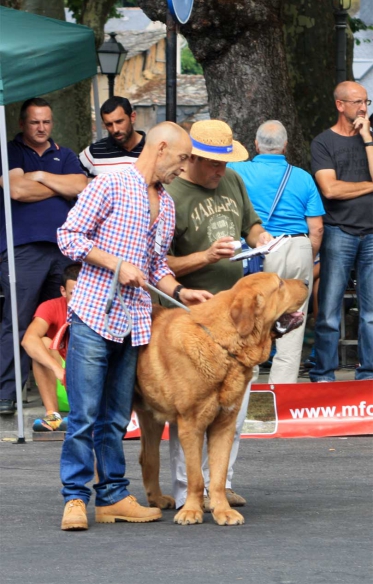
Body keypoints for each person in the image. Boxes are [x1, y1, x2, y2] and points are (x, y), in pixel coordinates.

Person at [56, 121, 212, 531]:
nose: (183, 169)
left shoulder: (168, 203)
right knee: (85, 415)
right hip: (93, 314)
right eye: (181, 159)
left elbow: (156, 265)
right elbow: (69, 236)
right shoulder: (110, 184)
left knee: (114, 417)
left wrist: (182, 291)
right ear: (160, 148)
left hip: (134, 321)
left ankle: (112, 498)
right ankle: (75, 498)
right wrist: (116, 264)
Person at [165, 119, 273, 511]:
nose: (220, 170)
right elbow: (160, 265)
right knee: (191, 412)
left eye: (225, 163)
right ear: (193, 157)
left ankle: (220, 487)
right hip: (190, 319)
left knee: (232, 409)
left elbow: (252, 224)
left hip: (236, 317)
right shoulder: (171, 194)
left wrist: (260, 238)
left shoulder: (232, 181)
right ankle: (185, 491)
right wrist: (206, 256)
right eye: (213, 163)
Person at [0, 98, 87, 416]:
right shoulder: (9, 150)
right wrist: (57, 185)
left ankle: (68, 392)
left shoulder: (64, 154)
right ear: (23, 124)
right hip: (23, 248)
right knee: (19, 320)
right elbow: (18, 191)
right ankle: (8, 392)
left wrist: (39, 176)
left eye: (46, 122)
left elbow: (80, 185)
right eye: (35, 122)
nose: (41, 128)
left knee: (67, 321)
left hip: (64, 249)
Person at [229, 120, 324, 384]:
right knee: (293, 320)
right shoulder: (303, 177)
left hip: (256, 250)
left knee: (252, 318)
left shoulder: (236, 171)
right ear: (285, 146)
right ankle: (282, 395)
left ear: (256, 144)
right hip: (296, 247)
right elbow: (316, 229)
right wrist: (307, 256)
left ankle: (249, 389)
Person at [309, 81, 373, 382]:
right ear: (340, 105)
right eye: (357, 102)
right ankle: (323, 375)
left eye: (366, 102)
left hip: (372, 235)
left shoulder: (371, 138)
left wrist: (367, 138)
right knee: (330, 312)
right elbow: (330, 189)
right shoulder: (323, 143)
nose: (363, 108)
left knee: (371, 315)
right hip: (338, 233)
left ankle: (368, 375)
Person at [21, 263, 81, 432]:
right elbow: (28, 340)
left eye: (84, 292)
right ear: (62, 291)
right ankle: (53, 415)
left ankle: (87, 413)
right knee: (43, 344)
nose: (79, 299)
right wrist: (58, 370)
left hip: (92, 385)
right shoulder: (51, 306)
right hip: (63, 383)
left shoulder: (100, 306)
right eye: (73, 294)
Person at [79, 96, 145, 178]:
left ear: (132, 117)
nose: (115, 129)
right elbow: (72, 179)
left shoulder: (154, 149)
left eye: (119, 122)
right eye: (109, 124)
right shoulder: (94, 152)